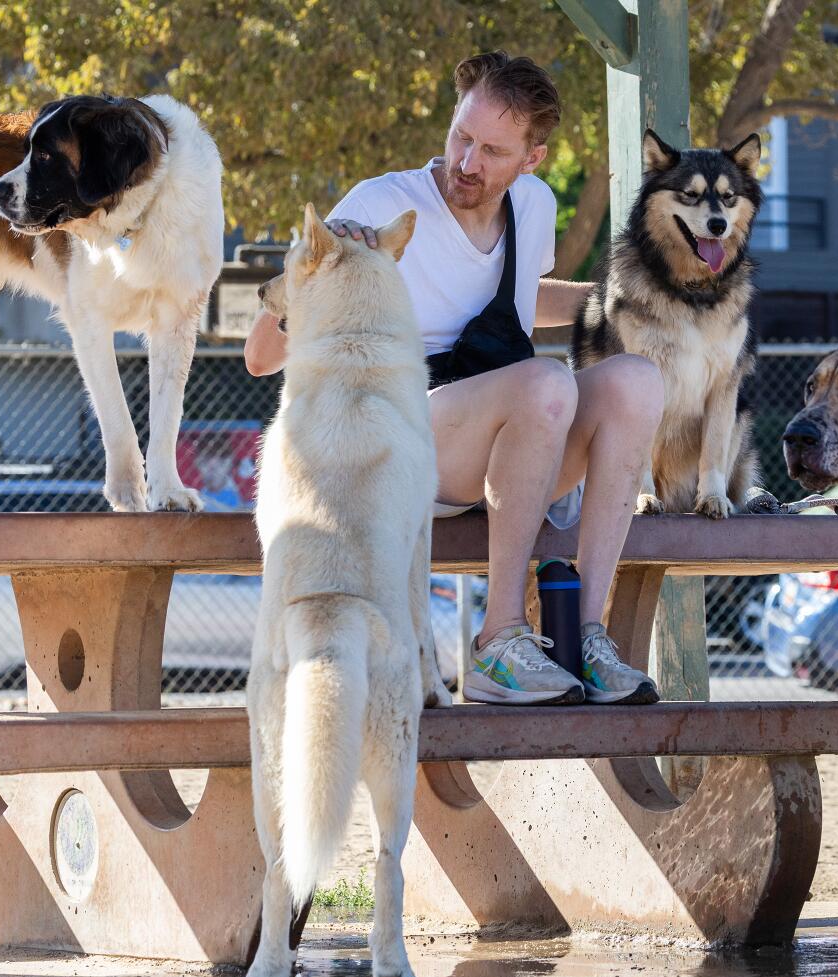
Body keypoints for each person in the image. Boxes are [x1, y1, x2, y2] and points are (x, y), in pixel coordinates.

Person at [245, 51, 665, 707]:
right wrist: (313, 273)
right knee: (545, 383)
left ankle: (587, 634)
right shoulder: (383, 205)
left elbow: (521, 300)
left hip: (510, 441)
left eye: (493, 150)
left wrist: (623, 298)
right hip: (402, 449)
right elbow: (259, 357)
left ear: (533, 158)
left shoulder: (532, 207)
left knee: (636, 381)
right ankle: (499, 640)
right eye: (461, 138)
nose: (468, 163)